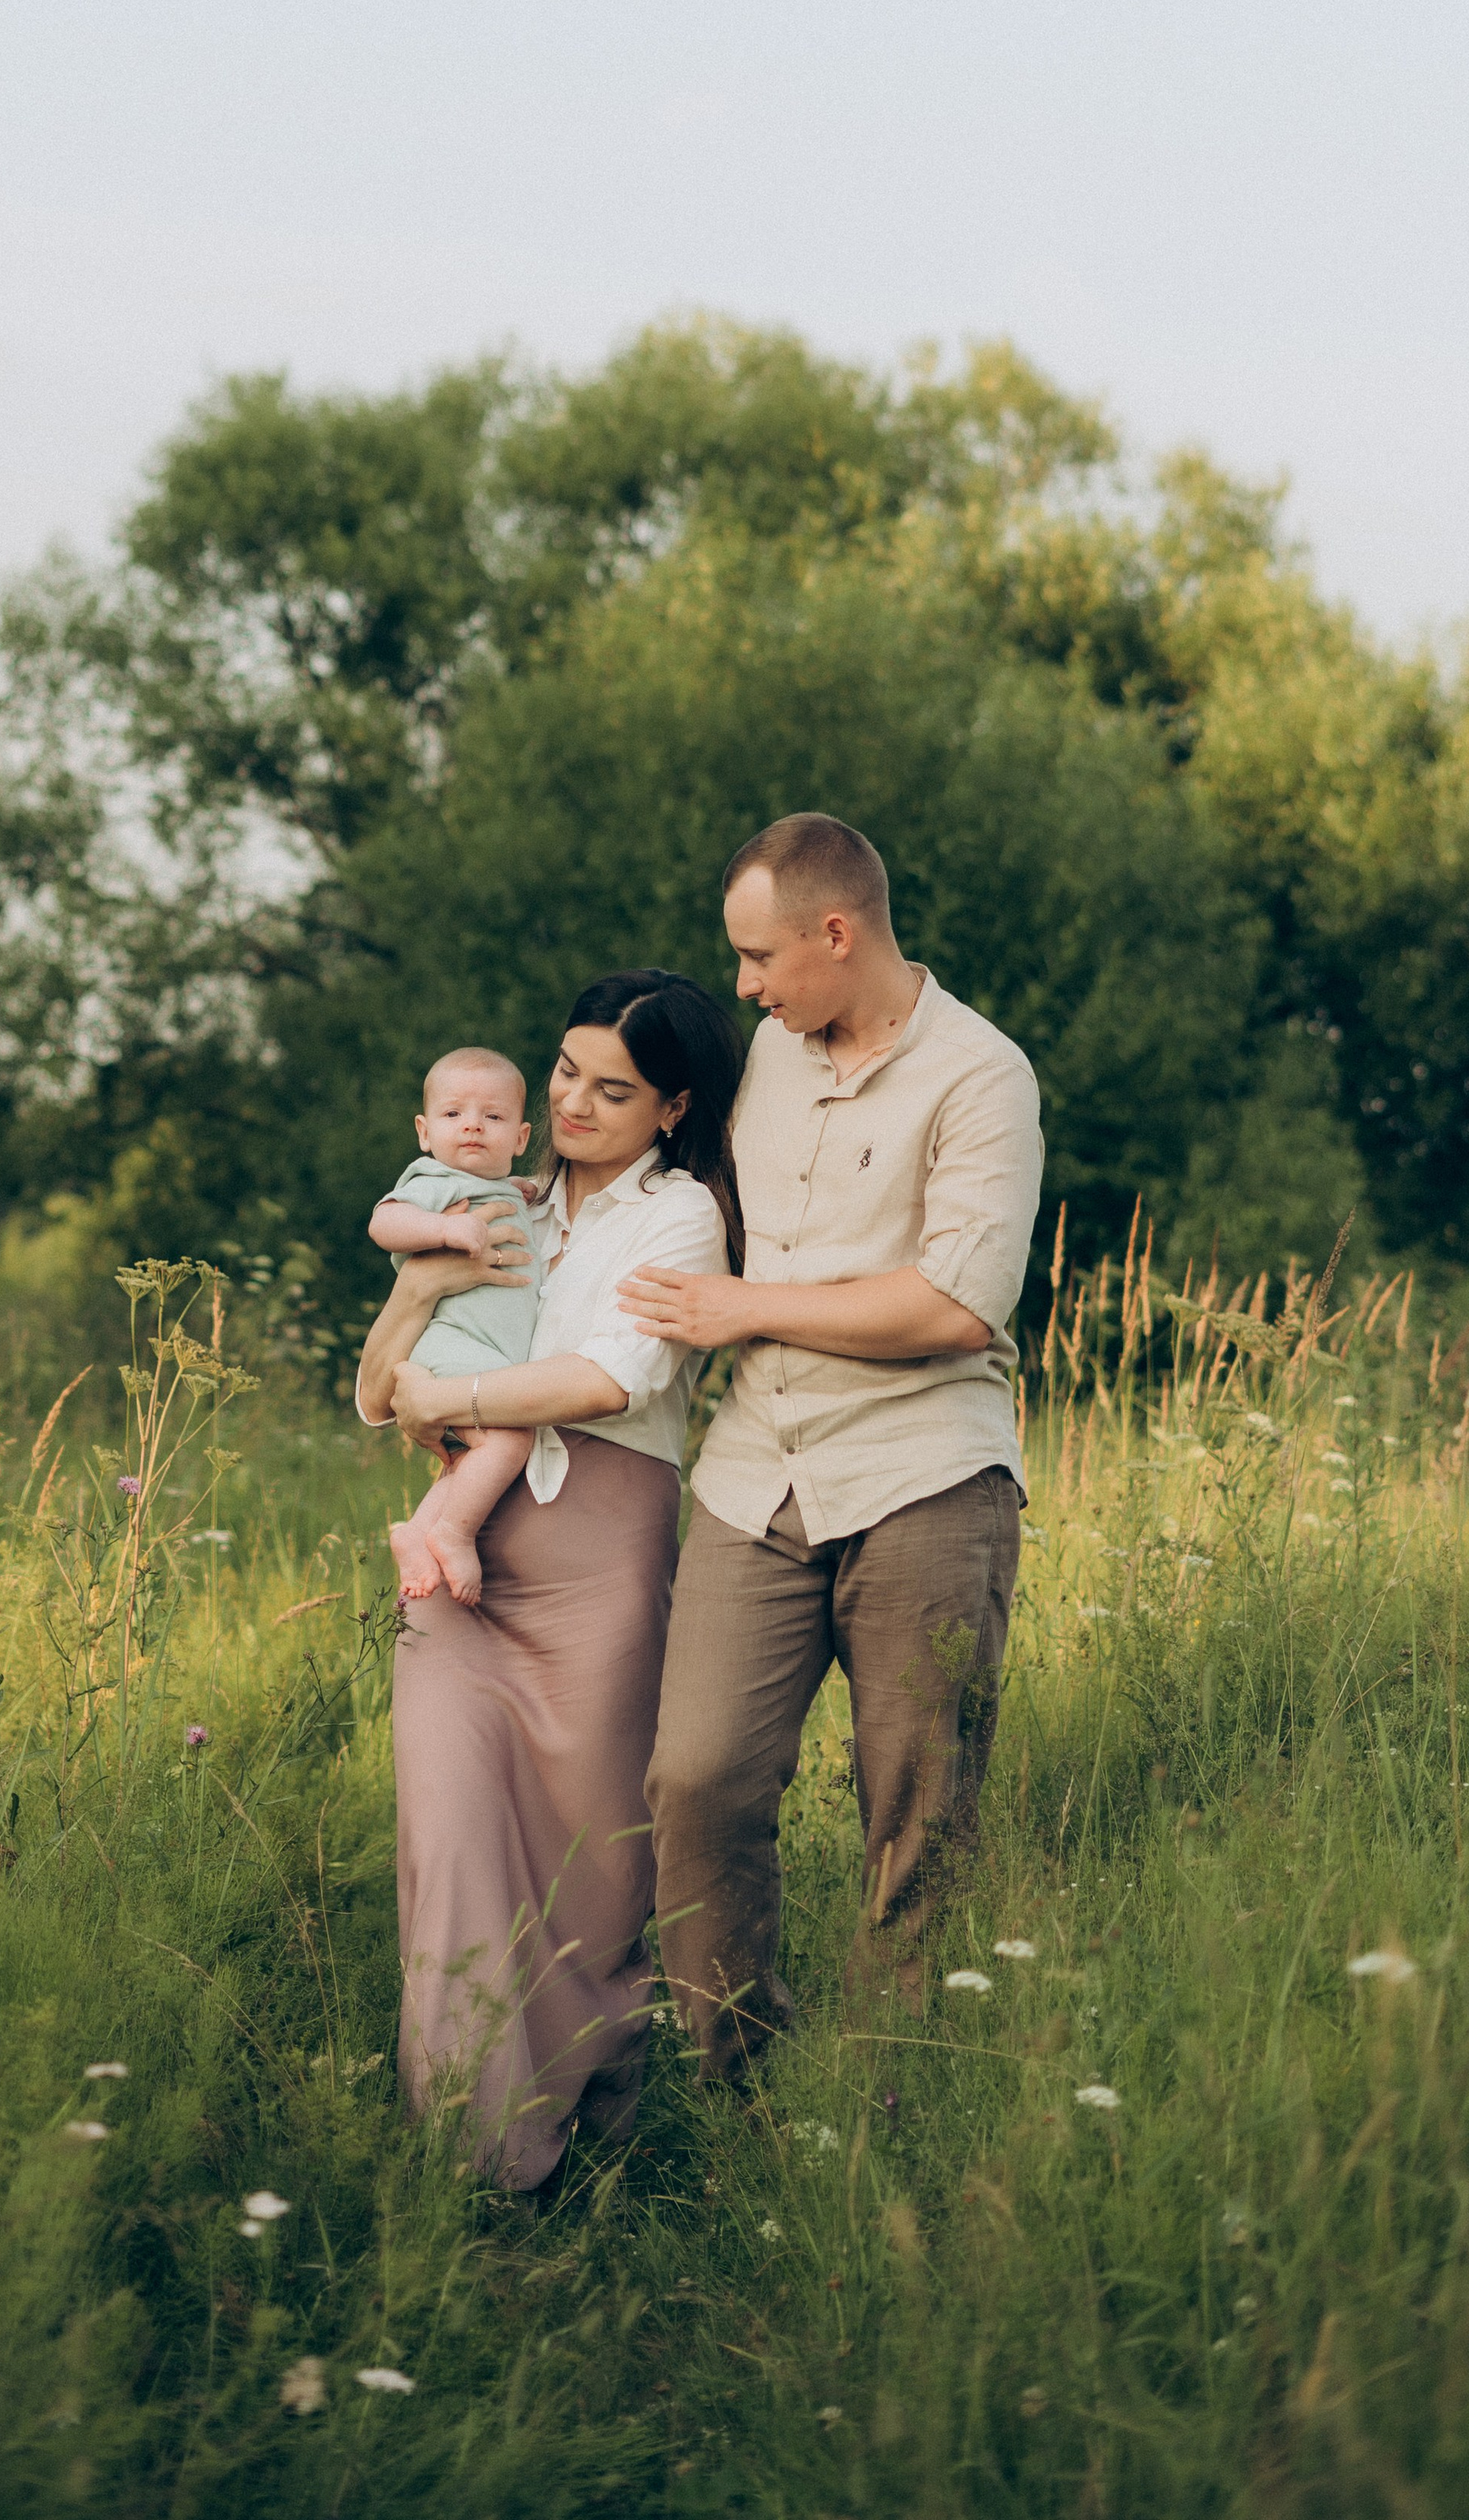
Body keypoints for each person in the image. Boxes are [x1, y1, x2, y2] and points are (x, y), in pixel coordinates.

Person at [620, 812, 1044, 2080]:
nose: (746, 985)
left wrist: (749, 1310)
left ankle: (897, 2092)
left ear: (836, 932)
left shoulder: (981, 1075)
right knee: (696, 1783)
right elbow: (668, 1180)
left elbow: (957, 1306)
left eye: (760, 957)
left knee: (916, 1812)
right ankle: (738, 2081)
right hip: (758, 1476)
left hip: (925, 1476)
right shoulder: (764, 1053)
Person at [354, 972, 744, 2192]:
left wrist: (452, 1397)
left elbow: (610, 1378)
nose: (574, 1101)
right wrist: (416, 1322)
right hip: (462, 1563)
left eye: (612, 1088)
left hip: (599, 1568)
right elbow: (377, 1388)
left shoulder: (679, 1218)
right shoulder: (487, 1196)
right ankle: (479, 2168)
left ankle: (601, 2146)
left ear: (671, 1106)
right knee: (455, 1844)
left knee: (594, 1870)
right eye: (566, 1072)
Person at [366, 1045, 551, 1606]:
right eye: (453, 1115)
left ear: (519, 1139)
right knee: (513, 1437)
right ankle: (454, 1533)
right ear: (425, 1132)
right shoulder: (433, 1179)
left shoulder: (499, 1189)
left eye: (492, 1117)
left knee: (471, 1457)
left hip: (482, 1352)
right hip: (454, 1347)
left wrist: (513, 1191)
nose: (472, 1124)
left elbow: (508, 1196)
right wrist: (444, 1232)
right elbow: (385, 1221)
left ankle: (417, 1537)